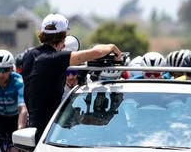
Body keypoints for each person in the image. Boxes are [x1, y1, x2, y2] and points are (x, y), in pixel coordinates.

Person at [21, 13, 123, 143]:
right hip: (52, 132)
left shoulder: (28, 56)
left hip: (34, 129)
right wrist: (113, 47)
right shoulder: (55, 58)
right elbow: (96, 53)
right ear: (63, 36)